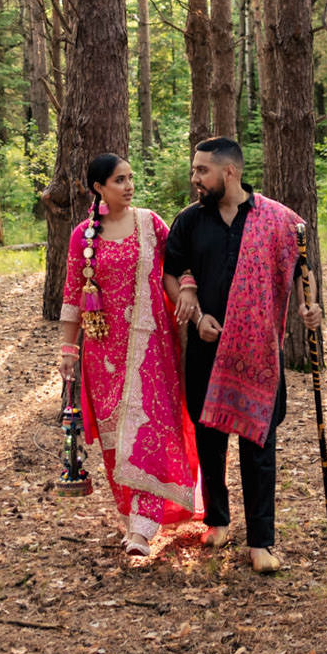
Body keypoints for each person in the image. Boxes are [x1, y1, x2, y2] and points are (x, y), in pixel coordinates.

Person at [163, 136, 321, 574]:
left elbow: (302, 275)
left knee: (259, 445)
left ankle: (261, 542)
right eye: (195, 171)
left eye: (202, 171)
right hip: (207, 347)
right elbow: (171, 273)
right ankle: (217, 520)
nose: (195, 178)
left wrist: (311, 310)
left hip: (258, 356)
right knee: (209, 439)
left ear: (228, 172)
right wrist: (195, 317)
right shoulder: (190, 221)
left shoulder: (279, 221)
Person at [57, 153, 204, 557]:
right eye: (119, 180)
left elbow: (175, 266)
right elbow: (73, 294)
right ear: (98, 188)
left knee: (151, 428)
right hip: (103, 352)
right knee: (115, 436)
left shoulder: (149, 223)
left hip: (151, 346)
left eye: (130, 178)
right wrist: (68, 349)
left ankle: (143, 526)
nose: (128, 185)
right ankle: (131, 515)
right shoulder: (82, 236)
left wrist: (188, 296)